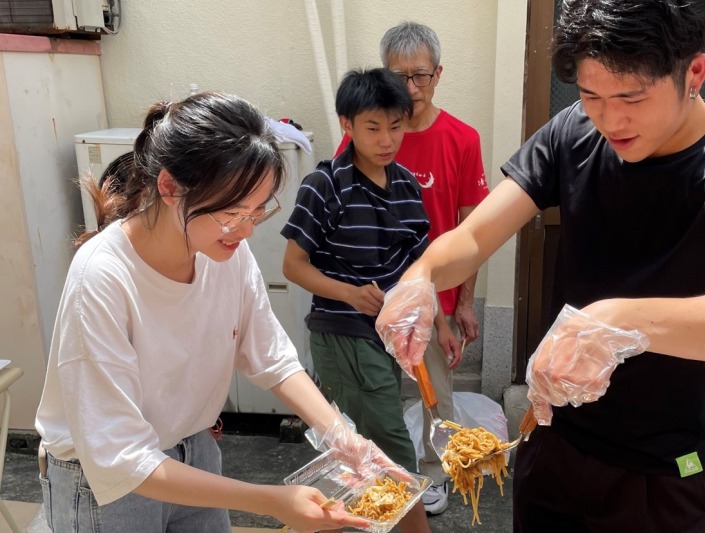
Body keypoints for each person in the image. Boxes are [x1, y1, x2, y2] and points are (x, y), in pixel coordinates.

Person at [375, 1, 705, 532]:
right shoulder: (574, 131)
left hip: (664, 464)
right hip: (553, 436)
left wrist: (620, 321)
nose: (610, 119)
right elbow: (474, 235)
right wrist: (420, 278)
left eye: (632, 97)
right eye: (590, 94)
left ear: (694, 72)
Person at [35, 91, 401, 533]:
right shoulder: (102, 277)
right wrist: (272, 502)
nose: (246, 230)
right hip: (102, 482)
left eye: (258, 210)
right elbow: (121, 457)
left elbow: (272, 359)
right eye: (232, 213)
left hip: (193, 453)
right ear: (169, 187)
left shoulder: (225, 251)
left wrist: (345, 439)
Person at [334, 22, 490, 514]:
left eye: (421, 76)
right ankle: (374, 475)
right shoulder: (367, 135)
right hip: (371, 297)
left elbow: (474, 231)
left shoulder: (461, 139)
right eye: (399, 76)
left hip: (433, 302)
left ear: (438, 74)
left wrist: (463, 302)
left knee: (434, 396)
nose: (411, 88)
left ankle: (435, 475)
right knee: (370, 394)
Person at [281, 67, 432, 532]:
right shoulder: (326, 185)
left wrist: (440, 322)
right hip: (343, 333)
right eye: (373, 127)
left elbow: (421, 265)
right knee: (391, 446)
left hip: (391, 337)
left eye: (395, 126)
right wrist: (350, 294)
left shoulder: (406, 184)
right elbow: (293, 266)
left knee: (366, 447)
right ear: (346, 124)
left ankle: (360, 522)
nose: (386, 139)